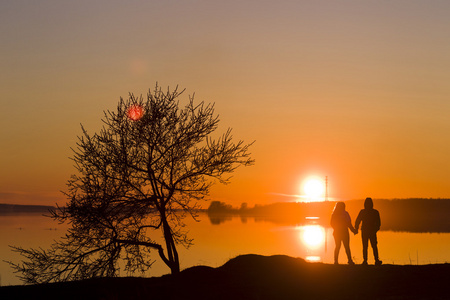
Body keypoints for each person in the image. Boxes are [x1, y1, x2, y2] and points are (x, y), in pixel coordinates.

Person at [355, 197, 382, 265]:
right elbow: (378, 223)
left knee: (365, 246)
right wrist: (376, 229)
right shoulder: (375, 212)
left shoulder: (363, 212)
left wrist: (356, 228)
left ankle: (365, 261)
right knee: (373, 246)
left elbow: (357, 221)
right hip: (370, 231)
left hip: (366, 231)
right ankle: (376, 260)